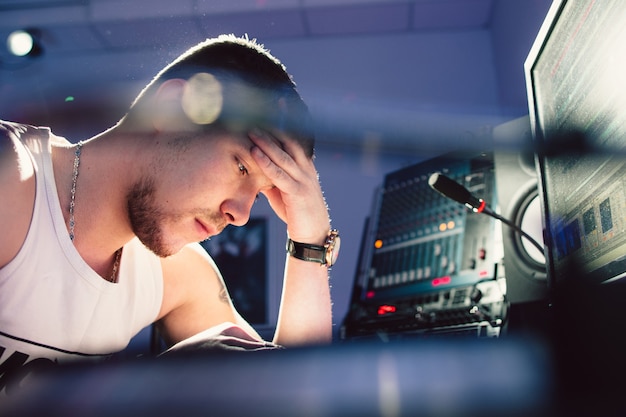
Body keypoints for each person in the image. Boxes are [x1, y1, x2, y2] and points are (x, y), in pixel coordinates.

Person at [0, 35, 339, 394]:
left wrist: (309, 241)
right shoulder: (12, 177)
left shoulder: (178, 275)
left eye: (258, 194)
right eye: (241, 166)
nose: (239, 214)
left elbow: (286, 392)